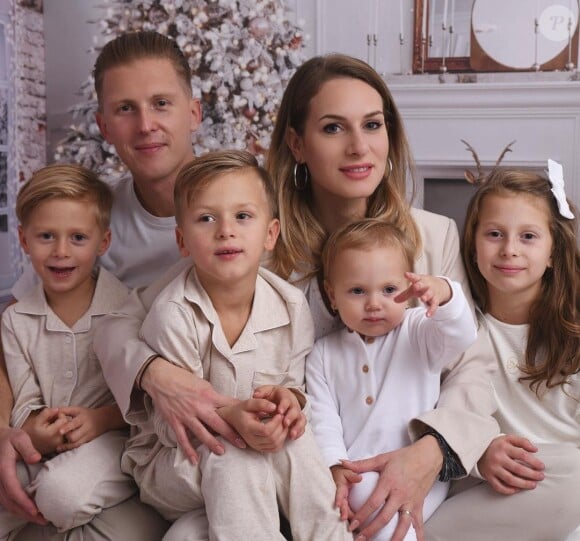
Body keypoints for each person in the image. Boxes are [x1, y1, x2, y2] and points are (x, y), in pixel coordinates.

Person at [94, 53, 498, 540]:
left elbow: (473, 365)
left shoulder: (432, 236)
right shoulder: (253, 236)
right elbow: (121, 317)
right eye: (333, 128)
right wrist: (157, 374)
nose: (358, 147)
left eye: (372, 125)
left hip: (382, 464)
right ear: (296, 143)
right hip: (277, 462)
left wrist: (431, 451)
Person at [0, 30, 202, 540]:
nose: (146, 125)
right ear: (103, 126)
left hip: (188, 438)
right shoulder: (87, 223)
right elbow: (15, 325)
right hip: (107, 442)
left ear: (193, 113)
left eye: (161, 103)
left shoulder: (237, 214)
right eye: (125, 109)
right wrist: (4, 430)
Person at [123, 150, 351, 540]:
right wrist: (233, 419)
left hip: (258, 445)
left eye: (242, 216)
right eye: (206, 218)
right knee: (235, 460)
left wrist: (289, 404)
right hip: (179, 461)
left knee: (298, 443)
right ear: (182, 240)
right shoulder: (173, 315)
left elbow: (295, 384)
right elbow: (170, 423)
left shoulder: (291, 306)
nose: (225, 230)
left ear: (270, 234)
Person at [424, 164, 580, 541]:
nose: (509, 249)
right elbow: (444, 414)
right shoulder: (457, 331)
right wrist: (480, 451)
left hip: (561, 488)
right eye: (494, 234)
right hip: (483, 491)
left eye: (528, 236)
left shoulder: (573, 336)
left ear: (553, 254)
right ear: (473, 247)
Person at [305, 218, 477, 541]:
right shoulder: (323, 354)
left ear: (409, 290)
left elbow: (463, 335)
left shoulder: (418, 331)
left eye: (388, 290)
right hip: (355, 472)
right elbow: (322, 419)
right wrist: (334, 465)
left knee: (382, 512)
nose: (373, 303)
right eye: (357, 291)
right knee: (344, 499)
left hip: (421, 476)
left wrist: (443, 292)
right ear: (332, 295)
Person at [0, 165, 136, 538]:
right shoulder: (16, 320)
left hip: (112, 442)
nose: (61, 252)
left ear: (102, 242)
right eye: (46, 236)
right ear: (24, 241)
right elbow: (24, 399)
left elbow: (140, 400)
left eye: (78, 237)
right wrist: (36, 430)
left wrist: (102, 420)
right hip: (41, 447)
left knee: (61, 495)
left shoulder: (127, 310)